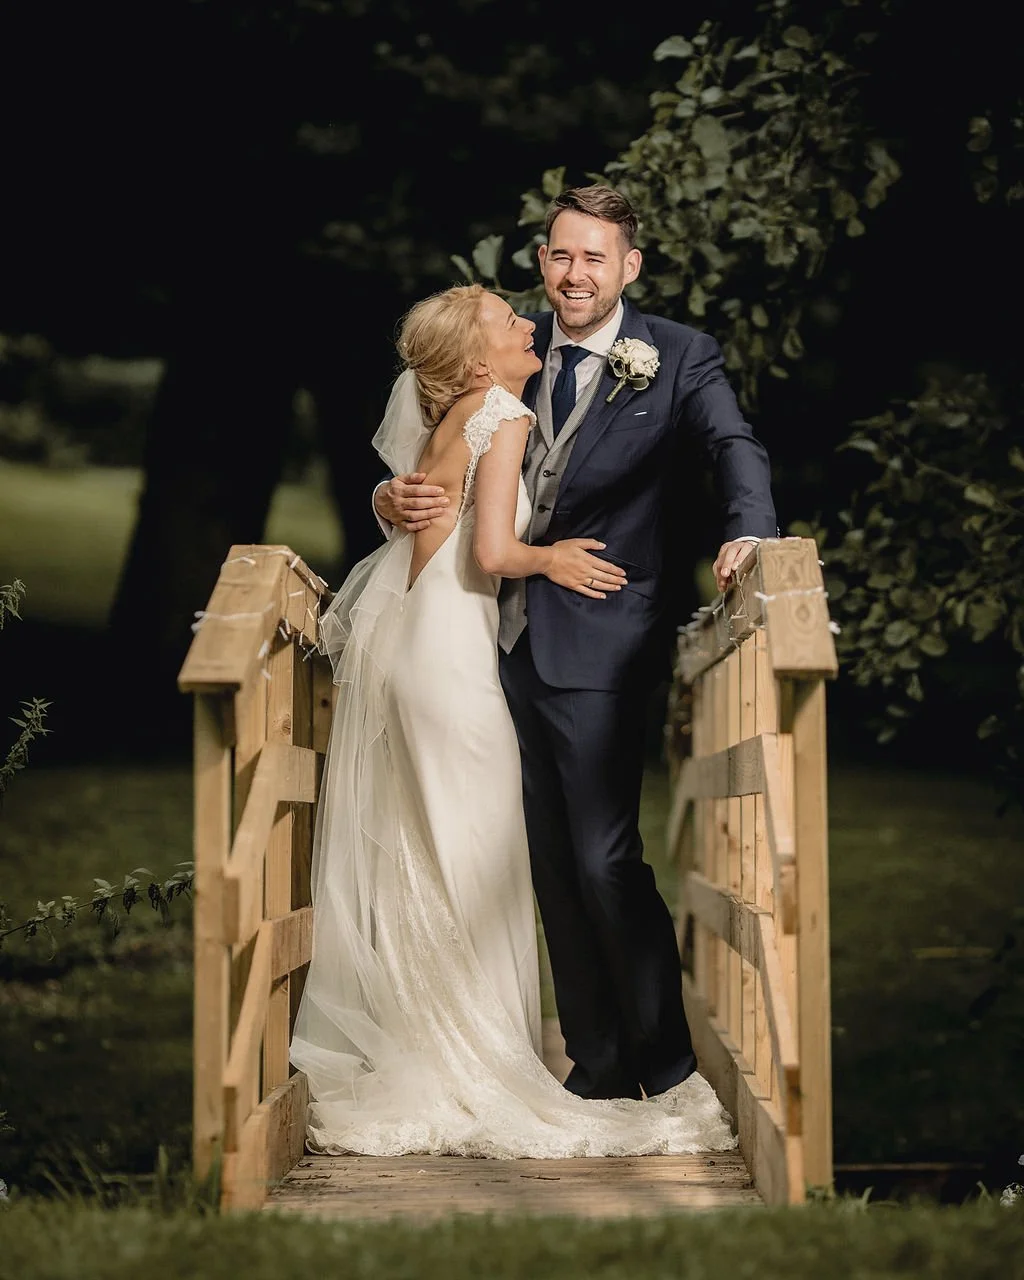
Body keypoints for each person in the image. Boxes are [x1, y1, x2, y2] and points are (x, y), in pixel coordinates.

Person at [289, 280, 738, 1158]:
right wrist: (554, 557)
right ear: (474, 356)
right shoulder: (502, 410)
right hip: (455, 656)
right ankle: (481, 1065)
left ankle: (438, 1048)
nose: (526, 321)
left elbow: (422, 511)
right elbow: (493, 552)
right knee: (477, 857)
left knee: (433, 849)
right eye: (505, 319)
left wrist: (393, 501)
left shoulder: (455, 413)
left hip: (422, 640)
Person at [374, 185, 778, 1104]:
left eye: (596, 257)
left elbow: (733, 446)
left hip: (600, 638)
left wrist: (750, 529)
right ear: (543, 261)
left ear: (629, 266)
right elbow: (442, 463)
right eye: (561, 255)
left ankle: (666, 1067)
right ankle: (596, 1067)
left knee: (602, 856)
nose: (575, 274)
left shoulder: (675, 357)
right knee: (550, 863)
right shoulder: (505, 361)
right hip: (485, 645)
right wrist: (386, 500)